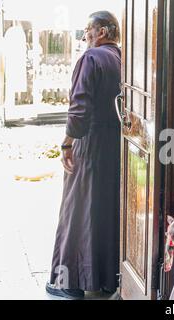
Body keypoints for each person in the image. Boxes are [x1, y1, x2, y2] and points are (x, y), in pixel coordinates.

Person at [45, 11, 121, 300]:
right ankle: (105, 279)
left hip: (90, 144)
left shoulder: (91, 59)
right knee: (103, 210)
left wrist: (67, 143)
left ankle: (69, 283)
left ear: (102, 31)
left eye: (88, 30)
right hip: (116, 146)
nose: (84, 36)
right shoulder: (122, 59)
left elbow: (79, 108)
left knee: (76, 211)